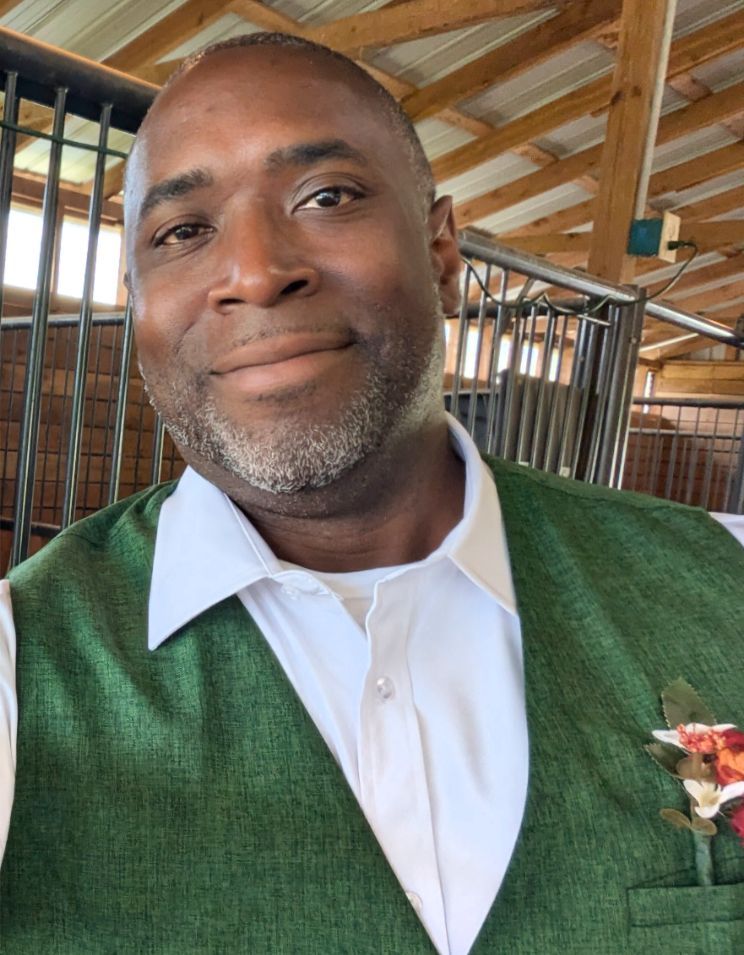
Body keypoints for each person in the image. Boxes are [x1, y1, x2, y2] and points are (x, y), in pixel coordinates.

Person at [1, 32, 743, 955]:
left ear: (441, 251)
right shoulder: (22, 653)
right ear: (139, 297)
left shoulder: (722, 577)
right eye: (183, 231)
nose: (256, 272)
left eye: (327, 197)